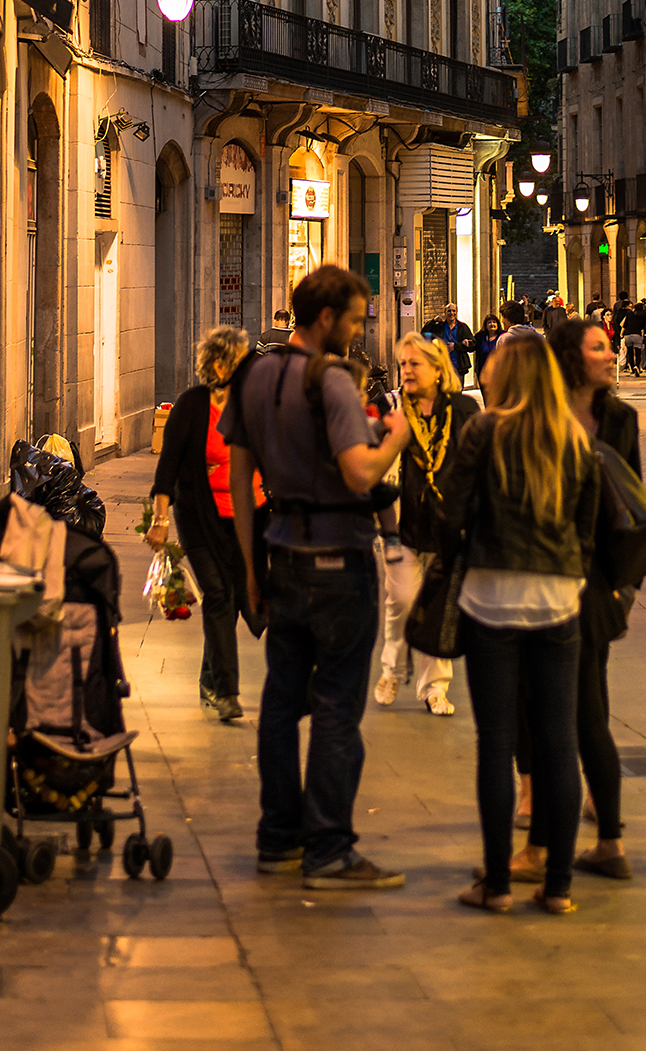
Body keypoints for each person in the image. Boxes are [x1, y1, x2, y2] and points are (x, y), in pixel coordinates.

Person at [222, 264, 412, 891]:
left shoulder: (251, 374)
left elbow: (243, 485)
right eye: (355, 320)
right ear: (326, 318)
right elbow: (360, 474)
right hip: (340, 560)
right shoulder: (330, 381)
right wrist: (397, 441)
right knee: (336, 706)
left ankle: (277, 837)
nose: (359, 334)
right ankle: (328, 847)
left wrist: (251, 568)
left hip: (283, 556)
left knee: (280, 702)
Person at [443, 329, 601, 915]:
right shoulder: (573, 435)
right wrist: (574, 570)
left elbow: (449, 511)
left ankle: (498, 885)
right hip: (559, 597)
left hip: (491, 599)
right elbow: (587, 522)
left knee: (497, 742)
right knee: (559, 741)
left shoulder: (485, 429)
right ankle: (558, 886)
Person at [510, 316, 642, 886]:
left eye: (610, 347)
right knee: (558, 713)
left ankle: (581, 845)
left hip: (588, 581)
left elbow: (632, 505)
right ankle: (566, 837)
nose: (611, 355)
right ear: (570, 357)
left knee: (581, 714)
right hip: (544, 574)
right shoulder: (544, 412)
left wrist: (623, 584)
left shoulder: (620, 418)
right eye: (598, 348)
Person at [148, 327, 263, 722]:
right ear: (220, 365)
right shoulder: (192, 405)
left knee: (237, 603)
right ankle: (227, 693)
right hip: (200, 518)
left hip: (247, 518)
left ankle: (211, 680)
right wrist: (160, 518)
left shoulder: (250, 405)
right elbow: (168, 468)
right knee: (217, 595)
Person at [374, 331, 479, 715]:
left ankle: (434, 688)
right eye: (402, 364)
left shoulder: (463, 410)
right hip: (403, 523)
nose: (406, 371)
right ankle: (391, 668)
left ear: (437, 369)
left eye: (414, 363)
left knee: (437, 607)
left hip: (447, 525)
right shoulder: (391, 408)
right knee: (400, 600)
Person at [472, 313, 504, 379]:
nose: (492, 324)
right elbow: (471, 347)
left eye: (494, 322)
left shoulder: (504, 336)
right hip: (483, 372)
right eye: (489, 322)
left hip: (499, 371)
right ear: (485, 325)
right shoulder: (480, 337)